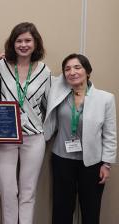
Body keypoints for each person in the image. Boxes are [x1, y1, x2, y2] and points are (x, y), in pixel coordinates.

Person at [44, 53, 117, 224]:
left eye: (77, 67)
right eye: (67, 69)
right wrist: (8, 62)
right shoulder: (59, 94)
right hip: (62, 159)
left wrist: (106, 164)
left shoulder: (105, 98)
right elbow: (38, 74)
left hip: (92, 163)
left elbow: (110, 134)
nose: (72, 72)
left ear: (88, 71)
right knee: (62, 208)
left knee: (91, 209)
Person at [0, 22, 51, 224]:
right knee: (8, 191)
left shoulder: (45, 71)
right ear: (12, 43)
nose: (24, 45)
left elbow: (48, 105)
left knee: (28, 191)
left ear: (36, 43)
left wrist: (44, 130)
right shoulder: (1, 66)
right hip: (6, 135)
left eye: (28, 40)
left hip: (34, 137)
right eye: (19, 41)